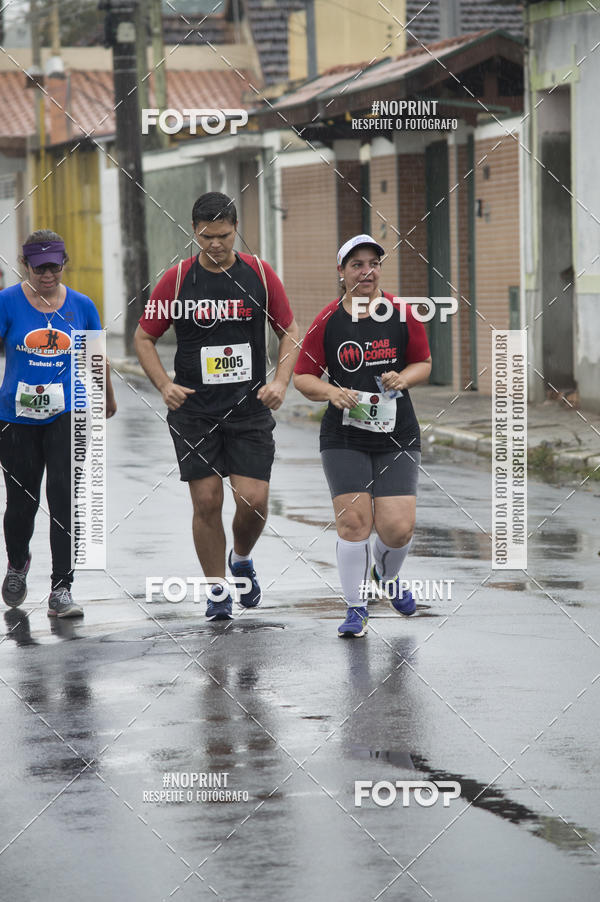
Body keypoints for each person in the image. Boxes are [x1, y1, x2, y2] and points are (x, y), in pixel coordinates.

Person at [135, 192, 299, 620]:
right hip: (194, 410)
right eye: (207, 237)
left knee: (254, 500)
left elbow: (289, 330)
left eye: (224, 235)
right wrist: (164, 385)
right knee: (206, 502)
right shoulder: (176, 280)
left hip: (248, 408)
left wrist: (281, 381)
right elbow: (143, 337)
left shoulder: (260, 275)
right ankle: (217, 590)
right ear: (194, 232)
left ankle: (241, 558)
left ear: (236, 229)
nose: (216, 244)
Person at [293, 234, 432, 637]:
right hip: (344, 436)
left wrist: (402, 377)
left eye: (373, 263)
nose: (366, 271)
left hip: (397, 432)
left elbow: (422, 363)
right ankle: (356, 607)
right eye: (356, 264)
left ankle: (386, 576)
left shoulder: (403, 314)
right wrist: (331, 392)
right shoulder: (327, 320)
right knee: (355, 523)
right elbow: (302, 376)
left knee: (397, 528)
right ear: (342, 272)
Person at [0, 229, 117, 618]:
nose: (47, 276)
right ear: (25, 265)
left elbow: (96, 356)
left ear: (64, 263)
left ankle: (61, 588)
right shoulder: (7, 303)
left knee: (65, 498)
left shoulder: (81, 306)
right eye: (39, 268)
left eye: (54, 267)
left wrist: (107, 397)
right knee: (22, 503)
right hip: (15, 417)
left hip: (67, 414)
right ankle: (18, 563)